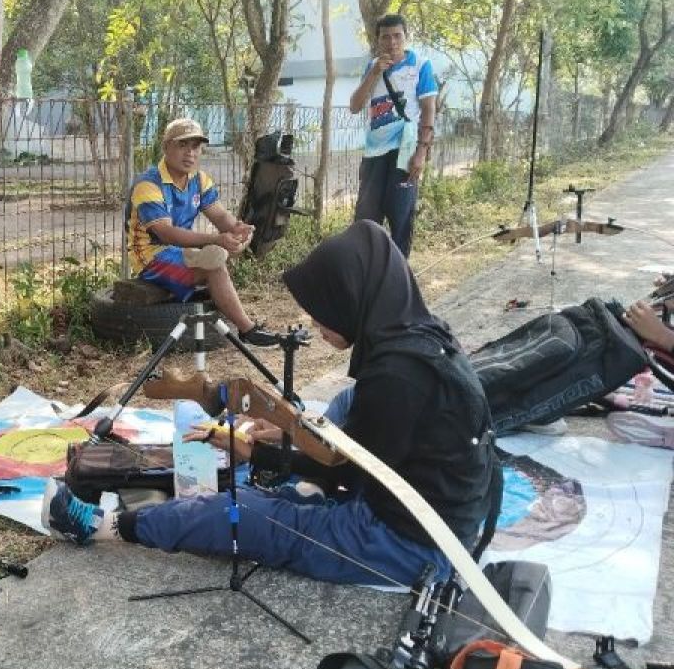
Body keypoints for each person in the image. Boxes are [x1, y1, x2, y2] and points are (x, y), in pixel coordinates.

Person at [42, 220, 500, 586]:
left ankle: (104, 527)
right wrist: (290, 427)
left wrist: (256, 451)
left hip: (409, 543)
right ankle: (301, 484)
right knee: (344, 402)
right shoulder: (417, 334)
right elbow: (360, 441)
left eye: (323, 305)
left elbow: (338, 467)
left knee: (241, 514)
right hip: (437, 507)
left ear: (353, 297)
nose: (315, 321)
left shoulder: (396, 377)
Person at [127, 118, 278, 346]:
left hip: (182, 252)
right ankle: (247, 330)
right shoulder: (148, 184)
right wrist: (217, 239)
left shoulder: (199, 179)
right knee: (213, 265)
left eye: (196, 146)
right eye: (182, 145)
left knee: (215, 257)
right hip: (150, 257)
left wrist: (238, 229)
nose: (190, 153)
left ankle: (241, 325)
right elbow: (166, 233)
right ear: (165, 147)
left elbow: (219, 216)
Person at [349, 14, 438, 257]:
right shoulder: (372, 67)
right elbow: (355, 106)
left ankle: (398, 279)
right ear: (378, 40)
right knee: (365, 220)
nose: (392, 42)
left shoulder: (420, 65)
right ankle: (368, 275)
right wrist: (373, 74)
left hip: (404, 153)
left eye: (397, 36)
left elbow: (429, 109)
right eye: (386, 37)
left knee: (400, 218)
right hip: (374, 154)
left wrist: (421, 152)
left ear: (405, 37)